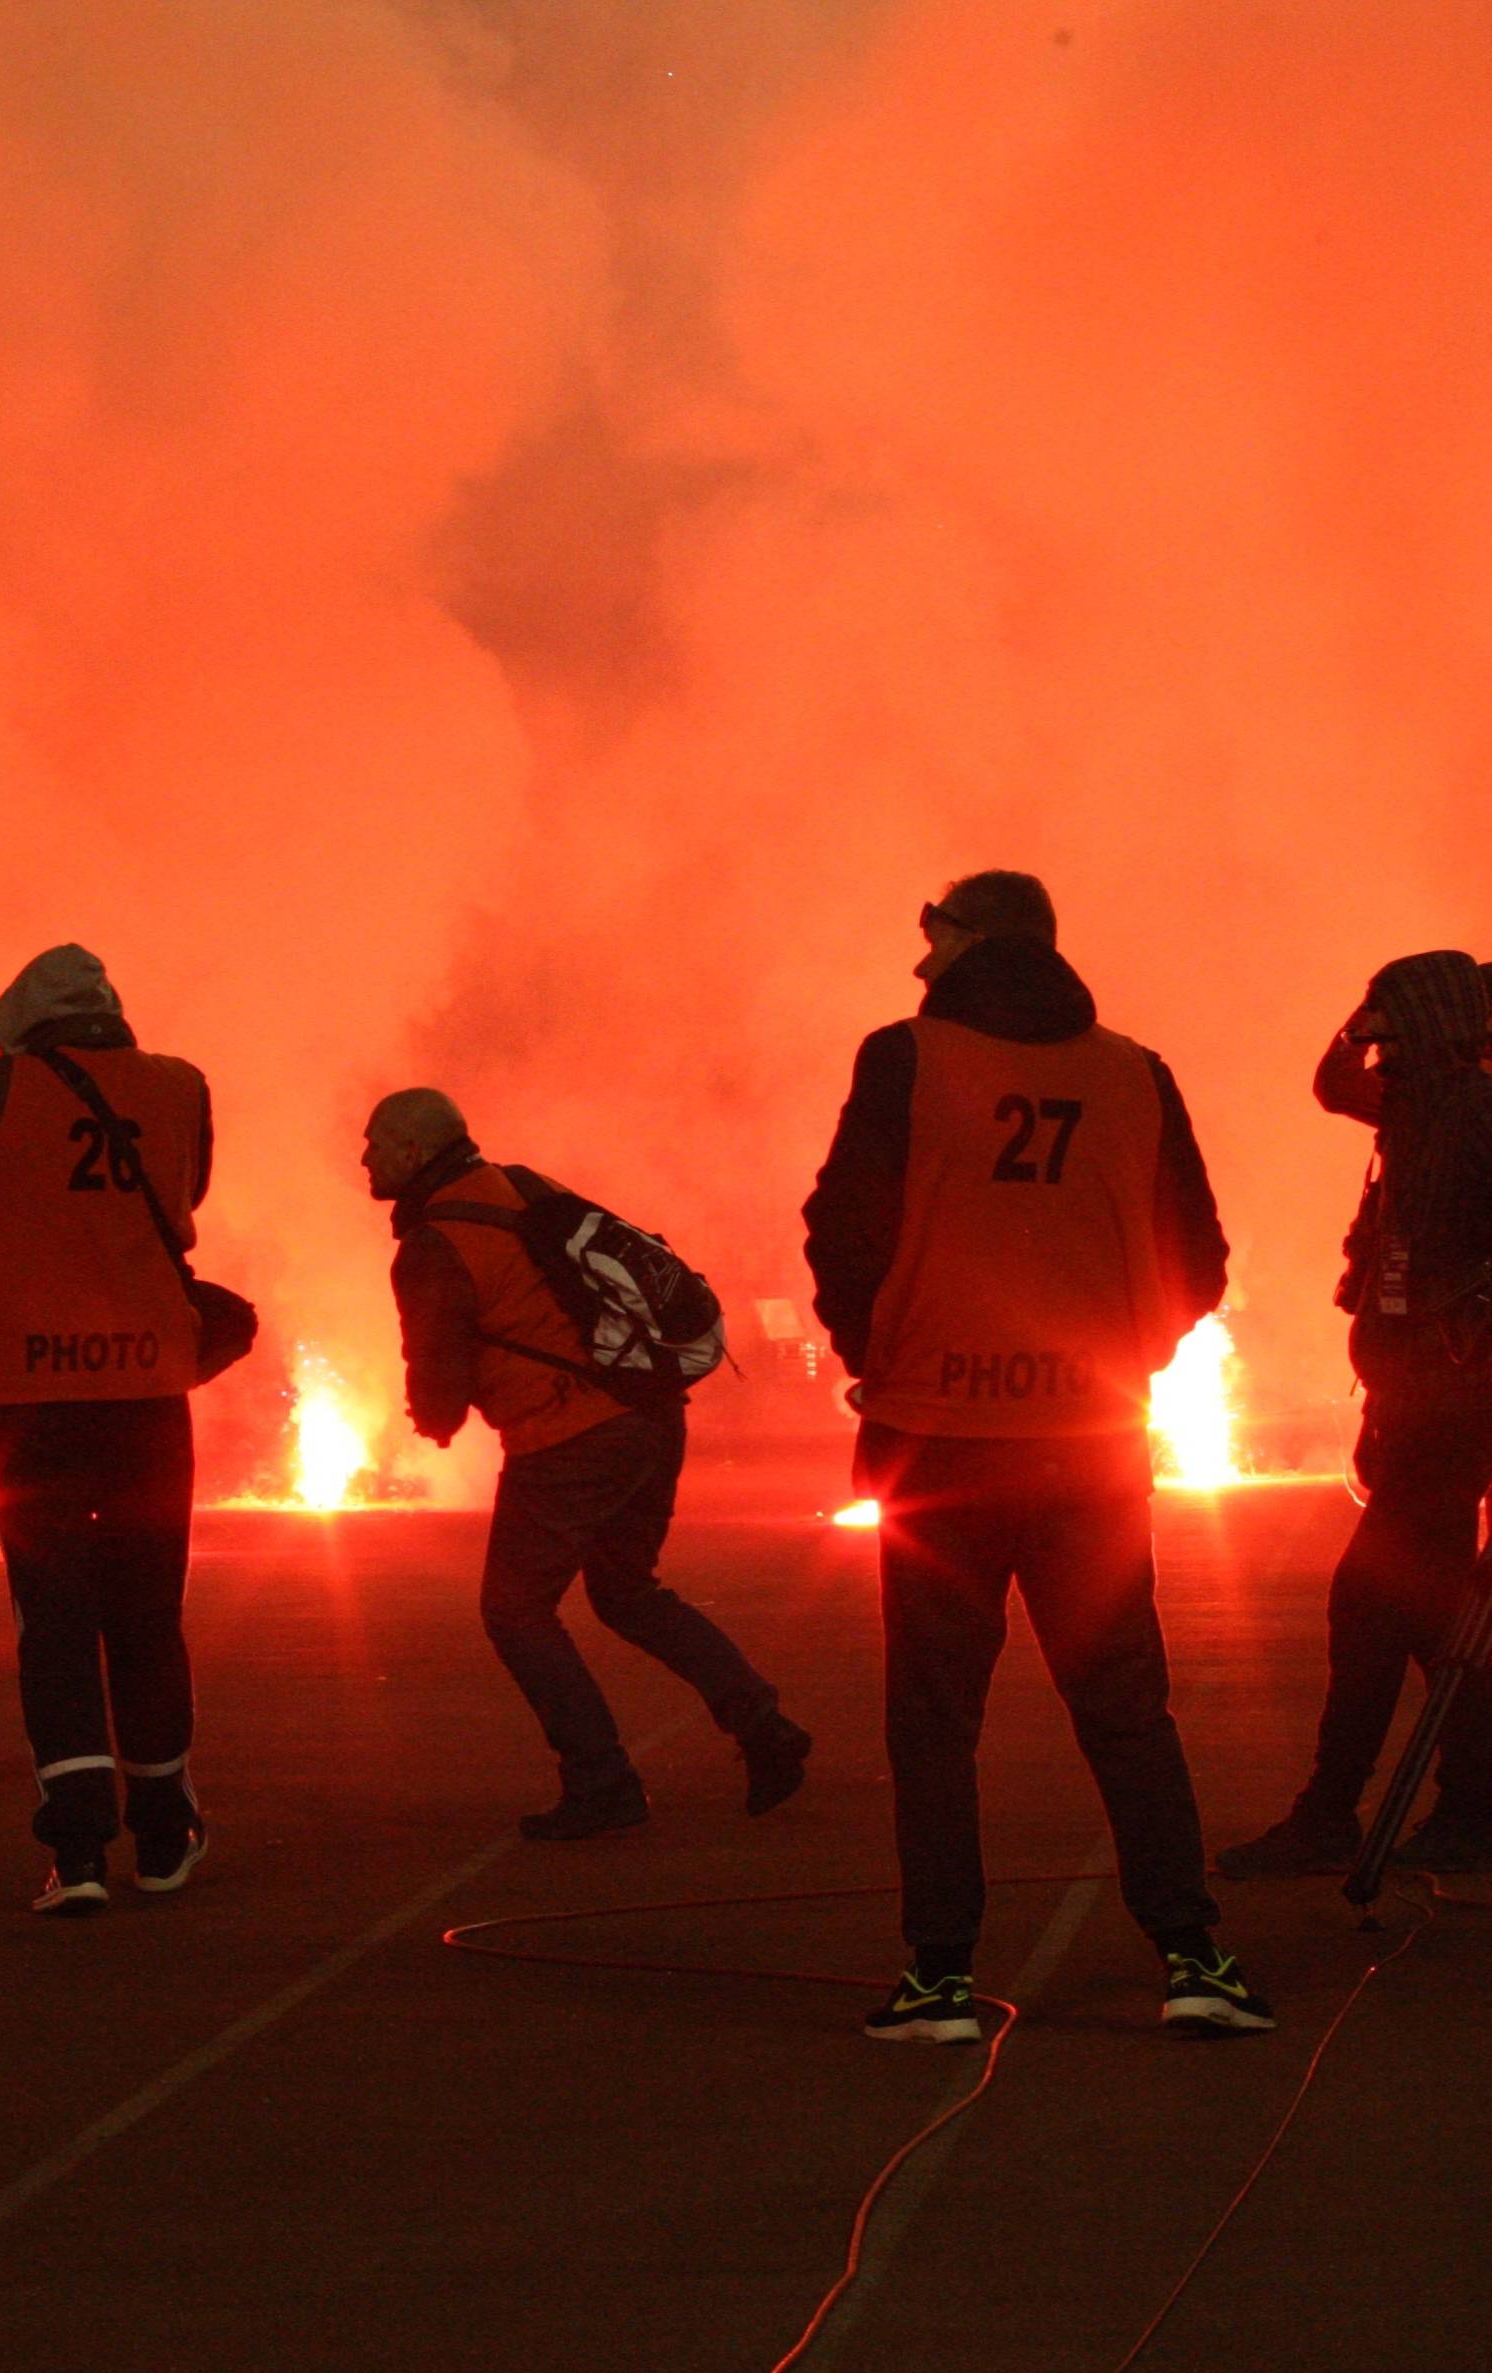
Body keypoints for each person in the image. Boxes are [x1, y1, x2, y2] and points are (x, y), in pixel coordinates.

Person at [804, 871, 1273, 2039]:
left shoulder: (907, 1057)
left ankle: (941, 1977)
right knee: (1126, 1706)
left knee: (934, 1718)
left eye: (933, 937)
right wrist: (1129, 1349)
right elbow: (1201, 1254)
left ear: (971, 941)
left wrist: (879, 1347)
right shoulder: (1133, 1070)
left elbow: (843, 1222)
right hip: (1091, 1442)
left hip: (938, 1440)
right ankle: (1192, 1955)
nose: (919, 962)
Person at [364, 1088, 812, 1838]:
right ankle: (764, 1727)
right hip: (649, 1411)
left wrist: (431, 1424)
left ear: (412, 1153)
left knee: (514, 1610)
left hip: (571, 1435)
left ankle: (601, 1780)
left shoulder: (435, 1245)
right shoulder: (525, 1184)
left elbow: (436, 1371)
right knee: (627, 1592)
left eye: (375, 1142)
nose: (365, 1158)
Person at [0, 943, 213, 1915]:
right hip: (148, 1394)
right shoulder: (181, 1086)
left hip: (30, 1400)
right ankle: (165, 1831)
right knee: (148, 1611)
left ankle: (78, 1852)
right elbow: (186, 1193)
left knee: (56, 1620)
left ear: (18, 1026)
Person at [1219, 952, 1492, 1882]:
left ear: (1429, 1028)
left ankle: (1343, 1817)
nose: (1379, 1051)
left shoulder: (1474, 1115)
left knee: (1380, 1605)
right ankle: (1451, 1817)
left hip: (1456, 1391)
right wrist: (1361, 1023)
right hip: (1415, 1392)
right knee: (1430, 1615)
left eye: (1395, 1029)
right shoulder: (1415, 1105)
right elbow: (1330, 1084)